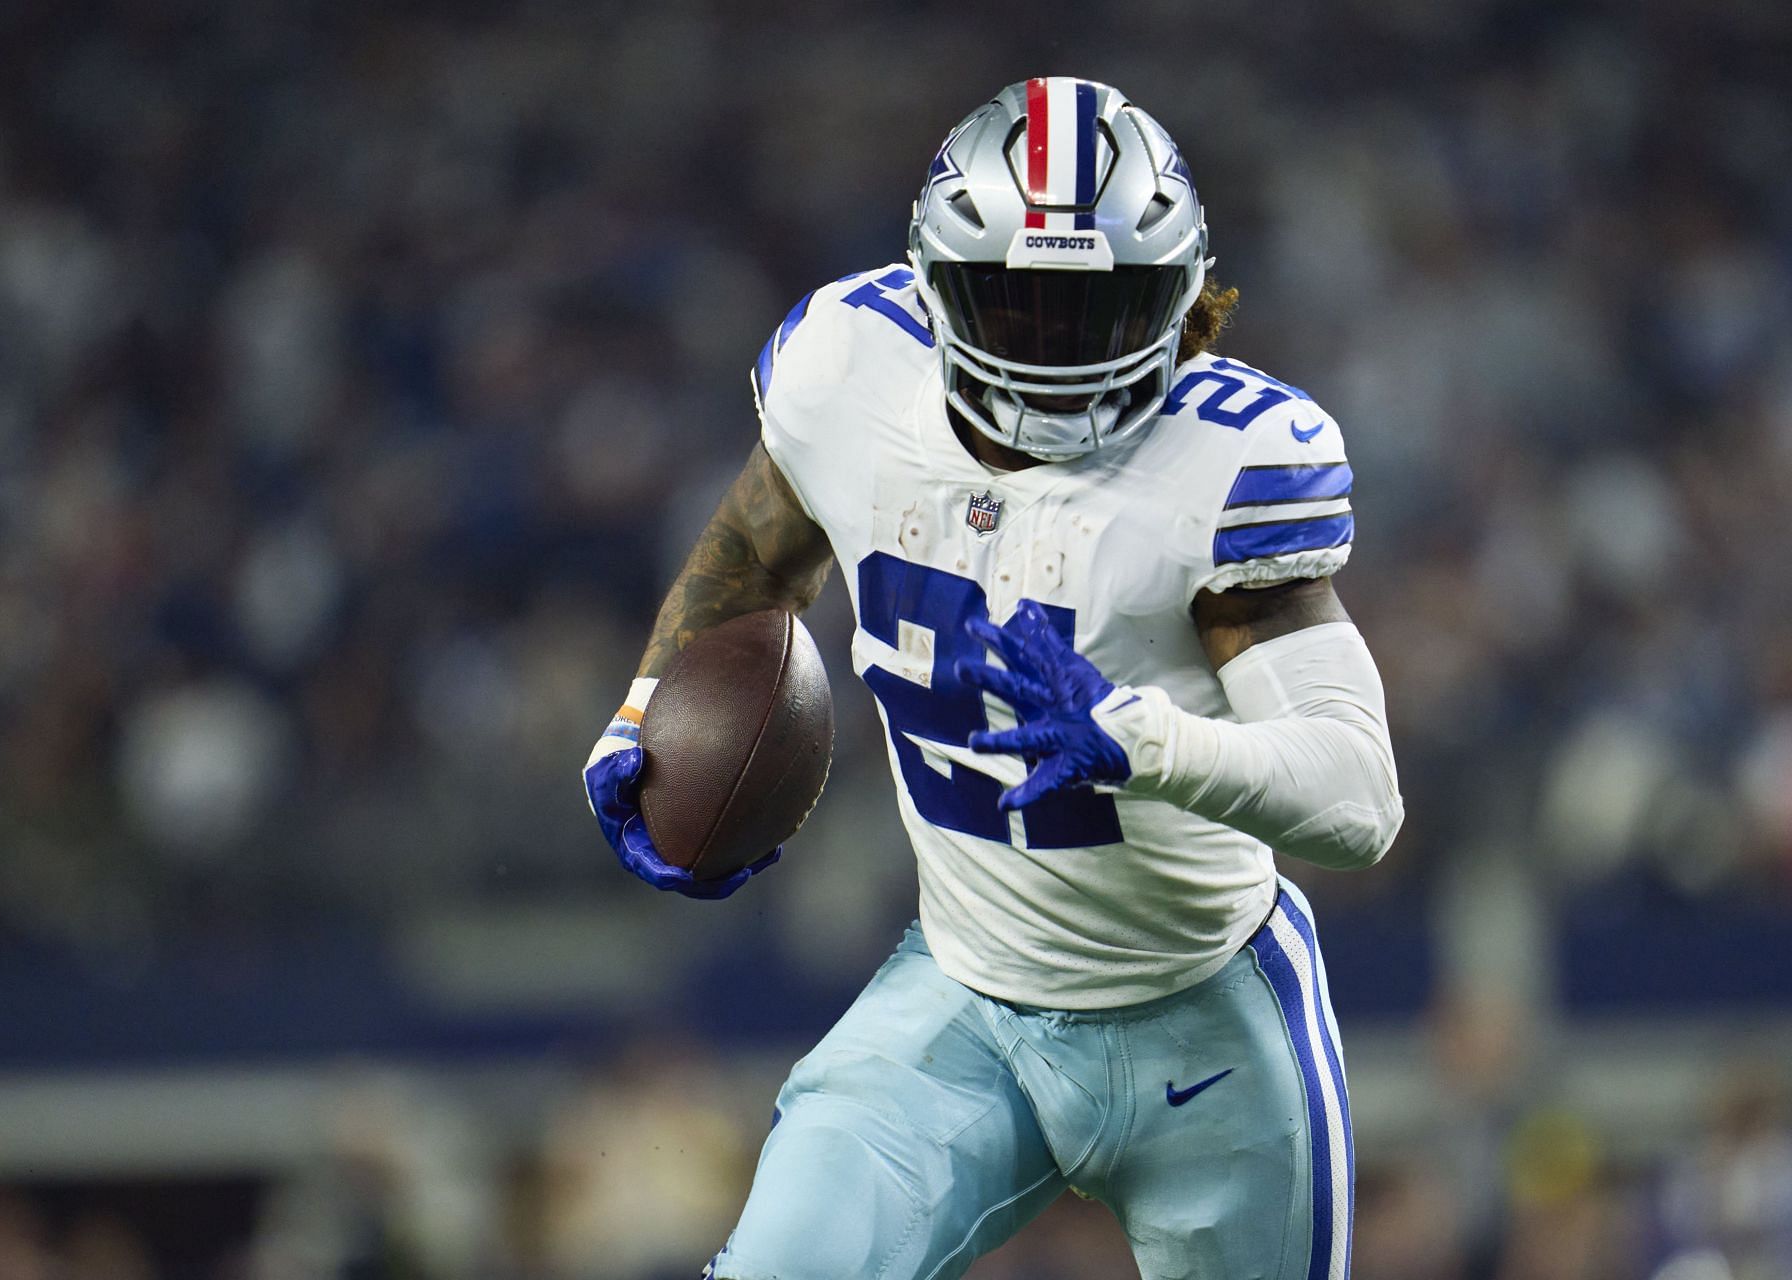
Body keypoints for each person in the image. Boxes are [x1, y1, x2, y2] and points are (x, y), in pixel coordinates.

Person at [584, 76, 1403, 1280]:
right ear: (935, 284)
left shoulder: (1224, 465)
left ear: (1179, 299)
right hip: (965, 997)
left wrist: (1144, 740)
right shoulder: (849, 370)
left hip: (1209, 1017)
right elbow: (759, 553)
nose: (1055, 351)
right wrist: (643, 709)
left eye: (1098, 309)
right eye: (1016, 307)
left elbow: (1359, 798)